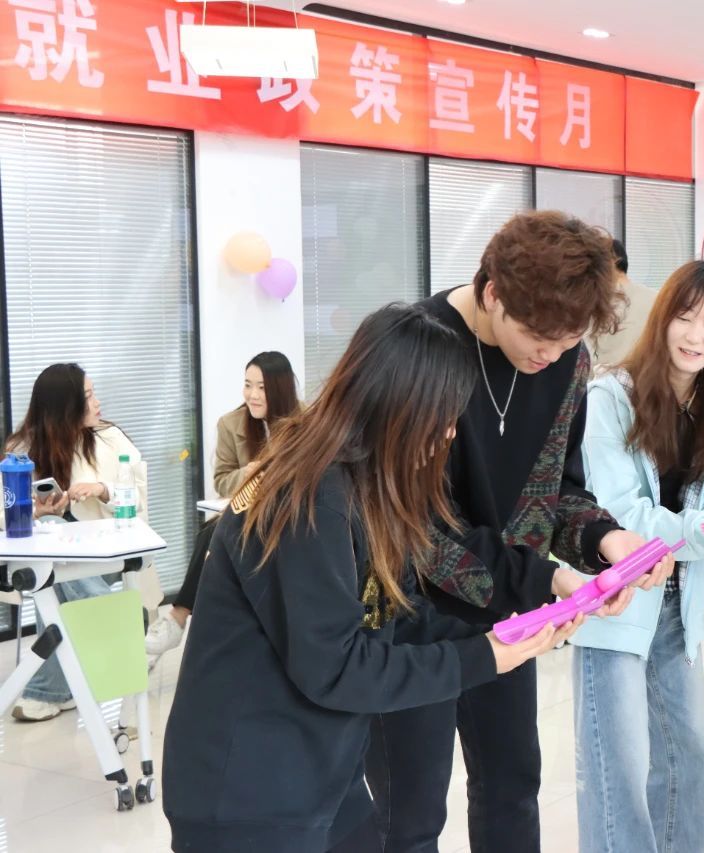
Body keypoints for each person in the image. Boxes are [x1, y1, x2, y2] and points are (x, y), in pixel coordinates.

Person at [162, 304, 581, 853]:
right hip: (249, 795)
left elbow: (391, 615)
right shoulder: (309, 498)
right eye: (443, 415)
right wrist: (482, 657)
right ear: (398, 405)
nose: (449, 433)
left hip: (320, 776)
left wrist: (503, 635)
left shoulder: (358, 484)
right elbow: (336, 667)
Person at [365, 211, 664, 853]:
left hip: (505, 612)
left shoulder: (566, 362)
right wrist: (545, 579)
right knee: (408, 812)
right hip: (407, 617)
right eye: (537, 337)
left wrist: (604, 539)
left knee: (511, 786)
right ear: (493, 291)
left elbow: (554, 489)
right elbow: (411, 528)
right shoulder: (415, 349)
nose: (548, 356)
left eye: (567, 341)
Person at [571, 260, 704, 853]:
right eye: (686, 319)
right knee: (618, 775)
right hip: (617, 601)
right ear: (662, 319)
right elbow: (622, 514)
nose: (696, 336)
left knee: (689, 764)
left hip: (679, 602)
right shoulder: (612, 396)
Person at [6, 364, 160, 723]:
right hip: (54, 558)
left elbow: (138, 500)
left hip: (108, 555)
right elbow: (5, 511)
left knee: (54, 579)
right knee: (54, 567)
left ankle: (50, 689)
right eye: (88, 397)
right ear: (65, 407)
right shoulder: (21, 451)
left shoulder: (110, 439)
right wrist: (38, 511)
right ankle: (117, 632)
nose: (98, 402)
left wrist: (103, 490)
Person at [145, 351, 301, 661]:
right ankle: (182, 619)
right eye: (248, 384)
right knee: (213, 532)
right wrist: (249, 473)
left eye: (261, 387)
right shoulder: (231, 424)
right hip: (248, 516)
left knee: (217, 533)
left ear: (280, 388)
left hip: (290, 516)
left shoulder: (305, 424)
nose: (252, 395)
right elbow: (222, 481)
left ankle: (178, 617)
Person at [592, 238, 659, 370]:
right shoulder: (657, 298)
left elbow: (586, 354)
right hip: (646, 376)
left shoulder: (596, 300)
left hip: (605, 379)